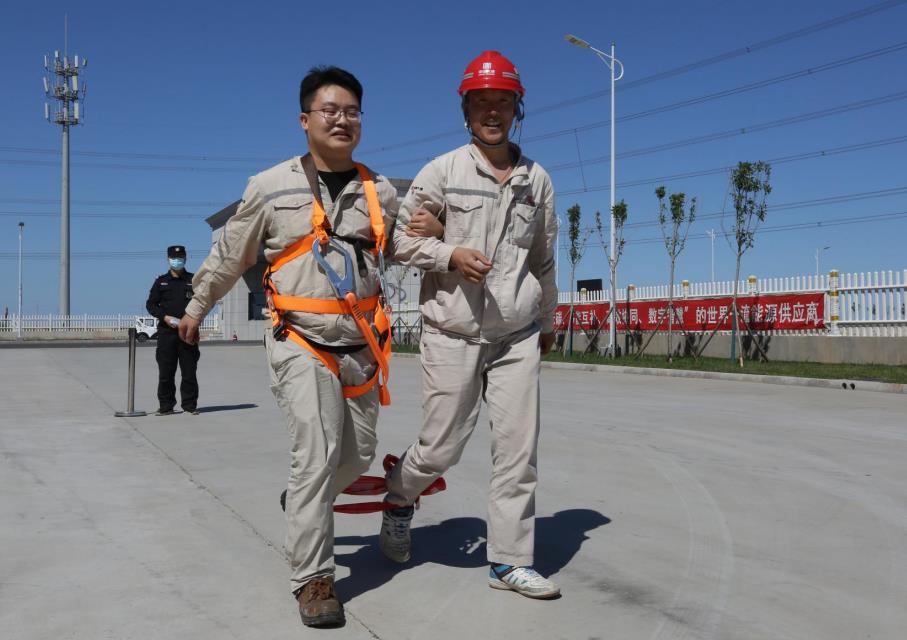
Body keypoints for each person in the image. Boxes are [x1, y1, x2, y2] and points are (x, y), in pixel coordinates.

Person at [176, 66, 439, 628]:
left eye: (352, 112)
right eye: (330, 110)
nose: (342, 120)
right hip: (299, 339)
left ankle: (302, 499)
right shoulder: (270, 186)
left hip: (361, 346)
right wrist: (198, 306)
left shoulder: (380, 190)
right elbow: (231, 253)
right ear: (305, 120)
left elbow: (406, 246)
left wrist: (434, 229)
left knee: (357, 456)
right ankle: (314, 579)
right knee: (316, 455)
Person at [380, 51, 560, 599]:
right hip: (452, 332)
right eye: (481, 102)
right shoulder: (443, 172)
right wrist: (450, 254)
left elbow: (544, 259)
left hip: (516, 334)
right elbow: (399, 242)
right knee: (441, 449)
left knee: (518, 451)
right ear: (465, 110)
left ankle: (509, 561)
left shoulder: (537, 181)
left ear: (517, 108)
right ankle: (399, 496)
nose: (492, 111)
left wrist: (547, 318)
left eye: (503, 101)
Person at [145, 245, 200, 416]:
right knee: (166, 373)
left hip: (188, 333)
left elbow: (203, 302)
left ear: (185, 259)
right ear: (168, 259)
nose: (177, 260)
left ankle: (190, 406)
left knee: (189, 372)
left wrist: (195, 321)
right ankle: (166, 406)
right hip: (166, 334)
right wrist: (165, 317)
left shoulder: (194, 280)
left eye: (181, 257)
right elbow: (151, 305)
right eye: (174, 258)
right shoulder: (161, 282)